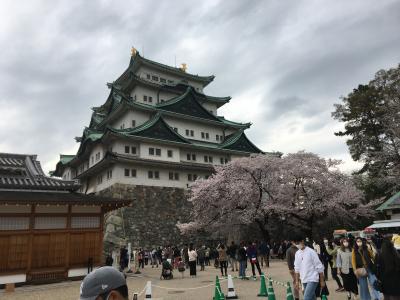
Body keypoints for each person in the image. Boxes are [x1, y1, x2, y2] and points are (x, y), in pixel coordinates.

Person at [293, 235, 325, 300]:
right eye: (295, 244)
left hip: (313, 278)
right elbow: (297, 268)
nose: (297, 245)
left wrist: (322, 281)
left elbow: (319, 266)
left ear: (302, 241)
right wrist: (296, 281)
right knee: (312, 298)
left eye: (298, 243)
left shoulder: (311, 252)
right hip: (304, 279)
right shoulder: (297, 253)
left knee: (306, 297)